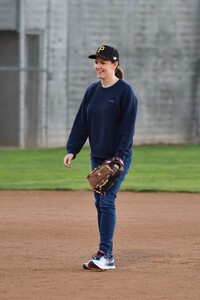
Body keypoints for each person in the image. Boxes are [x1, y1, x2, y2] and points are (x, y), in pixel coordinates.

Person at [63, 45, 138, 271]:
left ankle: (106, 255)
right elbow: (82, 123)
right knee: (99, 203)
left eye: (103, 63)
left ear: (114, 65)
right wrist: (72, 149)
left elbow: (128, 130)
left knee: (106, 201)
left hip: (117, 159)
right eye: (96, 62)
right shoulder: (92, 92)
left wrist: (119, 158)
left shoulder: (125, 93)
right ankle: (106, 254)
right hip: (97, 158)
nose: (98, 66)